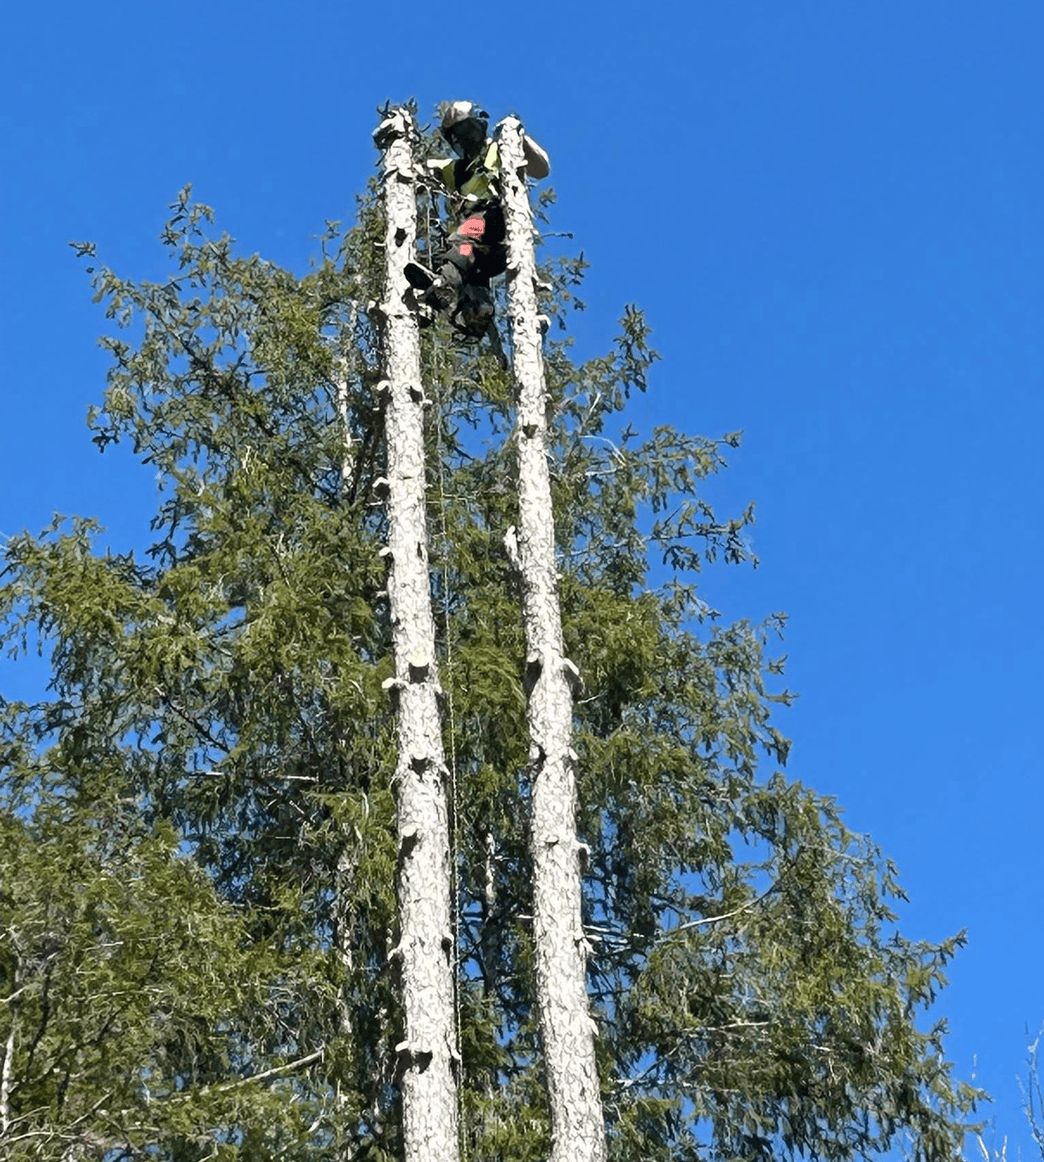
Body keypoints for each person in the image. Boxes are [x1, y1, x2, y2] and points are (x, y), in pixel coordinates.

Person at [405, 102, 549, 346]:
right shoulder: (458, 169)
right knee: (448, 254)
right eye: (459, 136)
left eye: (469, 130)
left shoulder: (499, 149)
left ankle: (445, 285)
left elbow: (541, 168)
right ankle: (468, 310)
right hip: (476, 245)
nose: (466, 139)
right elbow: (427, 169)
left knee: (466, 235)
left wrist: (518, 137)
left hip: (498, 223)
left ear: (480, 126)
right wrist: (412, 173)